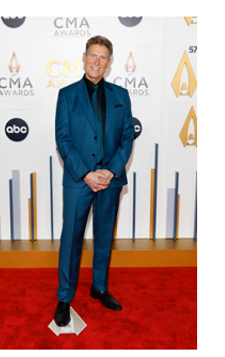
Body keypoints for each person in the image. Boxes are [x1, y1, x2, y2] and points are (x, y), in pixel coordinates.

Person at [53, 35, 135, 327]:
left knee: (103, 238)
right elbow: (63, 140)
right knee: (71, 240)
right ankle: (64, 297)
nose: (97, 62)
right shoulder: (67, 95)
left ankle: (99, 287)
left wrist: (111, 171)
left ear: (110, 63)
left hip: (110, 181)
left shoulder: (121, 96)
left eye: (103, 58)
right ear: (84, 57)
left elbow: (127, 137)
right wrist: (87, 173)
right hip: (79, 180)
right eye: (93, 56)